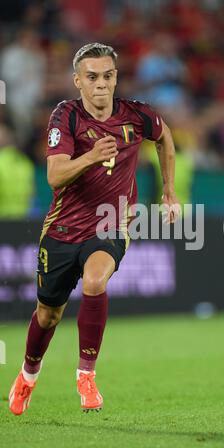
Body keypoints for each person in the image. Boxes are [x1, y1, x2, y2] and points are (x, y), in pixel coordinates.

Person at [9, 43, 180, 415]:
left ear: (115, 77)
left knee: (94, 281)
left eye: (107, 76)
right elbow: (55, 176)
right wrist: (91, 156)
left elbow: (165, 138)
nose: (101, 84)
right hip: (63, 227)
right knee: (47, 315)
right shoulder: (65, 117)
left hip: (110, 223)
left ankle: (86, 374)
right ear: (78, 81)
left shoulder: (136, 115)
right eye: (92, 77)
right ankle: (28, 374)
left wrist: (168, 190)